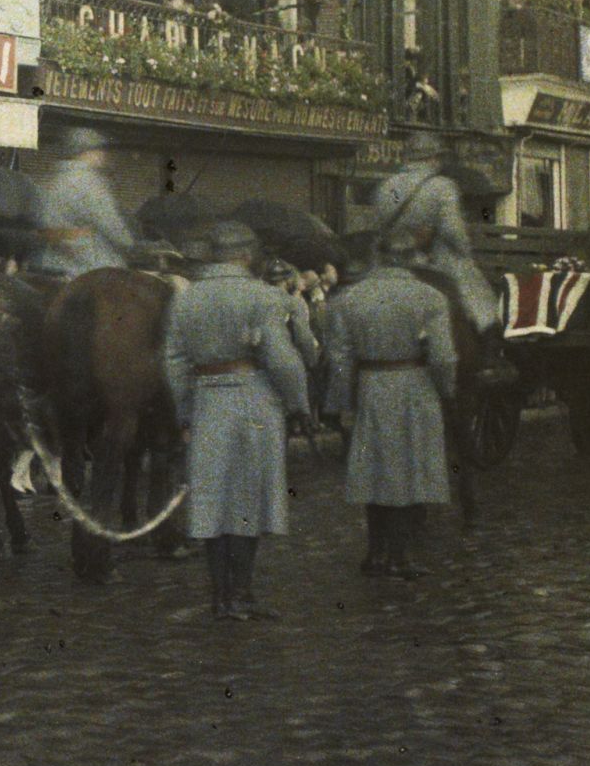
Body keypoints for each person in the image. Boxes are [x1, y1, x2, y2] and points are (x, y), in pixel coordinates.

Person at [161, 219, 312, 620]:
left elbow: (174, 364)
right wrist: (300, 404)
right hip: (253, 400)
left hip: (206, 401)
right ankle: (242, 594)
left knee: (212, 499)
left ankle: (219, 595)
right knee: (246, 497)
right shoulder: (262, 296)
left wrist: (184, 411)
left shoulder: (185, 299)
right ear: (246, 255)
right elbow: (282, 361)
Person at [320, 228, 457, 579]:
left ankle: (376, 551)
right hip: (413, 384)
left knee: (374, 468)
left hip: (370, 385)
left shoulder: (349, 298)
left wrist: (340, 404)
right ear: (412, 259)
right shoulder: (429, 298)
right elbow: (442, 357)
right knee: (411, 467)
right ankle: (401, 553)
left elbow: (339, 359)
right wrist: (446, 390)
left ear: (377, 257)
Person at [369, 131, 500, 332]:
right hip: (434, 262)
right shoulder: (442, 186)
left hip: (391, 261)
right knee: (478, 293)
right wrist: (466, 252)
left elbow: (379, 226)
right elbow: (453, 232)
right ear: (432, 158)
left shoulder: (387, 187)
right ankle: (486, 337)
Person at [33, 126, 136, 278]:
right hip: (90, 265)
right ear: (85, 152)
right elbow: (109, 222)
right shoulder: (89, 181)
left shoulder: (52, 179)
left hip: (52, 262)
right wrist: (129, 243)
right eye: (98, 150)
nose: (102, 155)